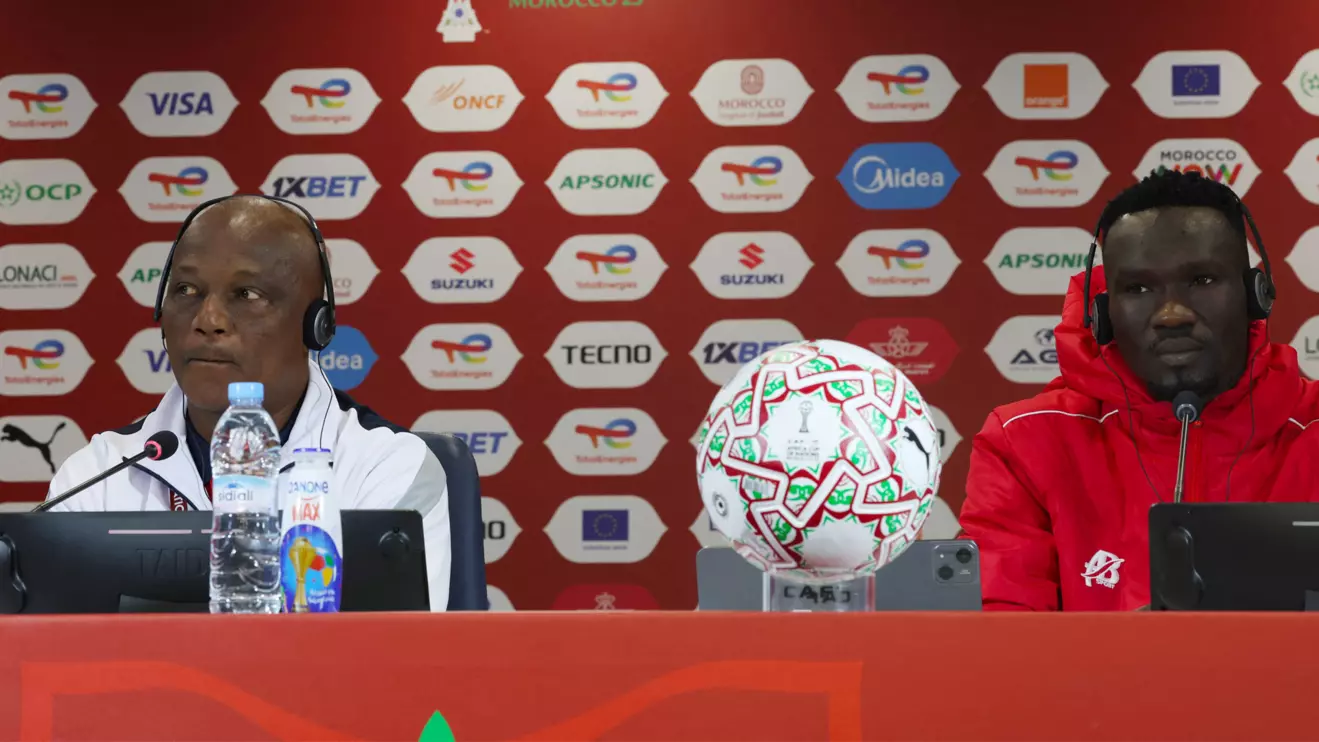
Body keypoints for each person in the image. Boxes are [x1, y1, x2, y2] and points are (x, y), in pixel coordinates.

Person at [45, 195, 453, 609]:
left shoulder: (384, 468)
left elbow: (389, 660)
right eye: (186, 289)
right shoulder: (98, 473)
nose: (208, 320)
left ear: (316, 325)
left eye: (247, 294)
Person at [960, 169, 1319, 611]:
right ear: (1104, 313)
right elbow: (999, 641)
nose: (1171, 314)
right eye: (1139, 287)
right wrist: (1139, 653)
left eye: (1202, 280)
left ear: (1254, 294)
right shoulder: (1025, 442)